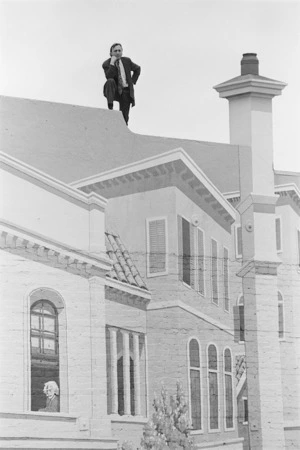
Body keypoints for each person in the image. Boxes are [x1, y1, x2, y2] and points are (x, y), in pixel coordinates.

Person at [102, 43, 141, 125]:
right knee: (110, 81)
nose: (117, 52)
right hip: (114, 89)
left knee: (124, 118)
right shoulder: (106, 64)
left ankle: (124, 126)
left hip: (125, 91)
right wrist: (112, 63)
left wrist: (132, 81)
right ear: (111, 53)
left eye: (119, 50)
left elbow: (137, 69)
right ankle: (110, 104)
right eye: (115, 51)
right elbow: (109, 76)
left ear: (122, 52)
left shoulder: (127, 61)